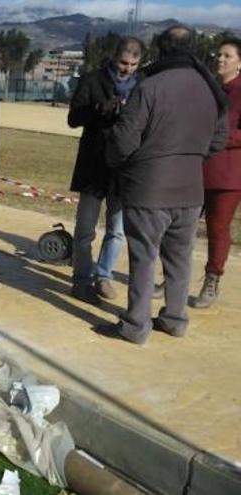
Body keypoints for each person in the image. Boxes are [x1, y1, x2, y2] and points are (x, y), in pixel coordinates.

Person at [105, 26, 228, 344]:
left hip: (149, 186)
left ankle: (135, 325)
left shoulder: (151, 85)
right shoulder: (210, 88)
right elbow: (218, 139)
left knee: (143, 258)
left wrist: (121, 160)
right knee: (179, 258)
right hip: (190, 189)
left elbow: (124, 138)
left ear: (162, 50)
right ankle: (174, 319)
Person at [67, 37, 143, 304]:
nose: (127, 69)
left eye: (134, 64)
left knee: (117, 229)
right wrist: (98, 109)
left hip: (123, 167)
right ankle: (81, 279)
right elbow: (73, 119)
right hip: (93, 164)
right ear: (114, 57)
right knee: (85, 227)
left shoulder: (142, 85)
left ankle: (104, 276)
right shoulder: (92, 79)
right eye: (123, 62)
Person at [192, 38, 241, 308]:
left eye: (227, 55)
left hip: (228, 174)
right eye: (218, 54)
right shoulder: (207, 88)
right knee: (180, 226)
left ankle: (212, 280)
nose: (220, 59)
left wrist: (218, 136)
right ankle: (172, 277)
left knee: (217, 228)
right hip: (195, 168)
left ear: (240, 62)